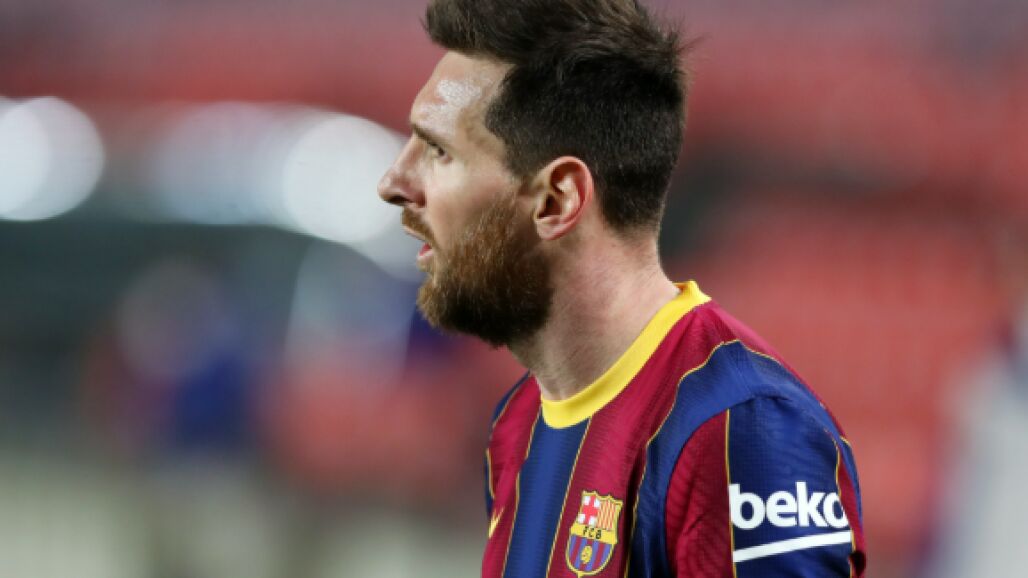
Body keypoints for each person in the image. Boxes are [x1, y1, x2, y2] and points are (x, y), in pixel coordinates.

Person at [377, 0, 866, 576]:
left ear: (557, 200)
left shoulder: (742, 427)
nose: (393, 182)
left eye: (438, 151)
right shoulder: (518, 424)